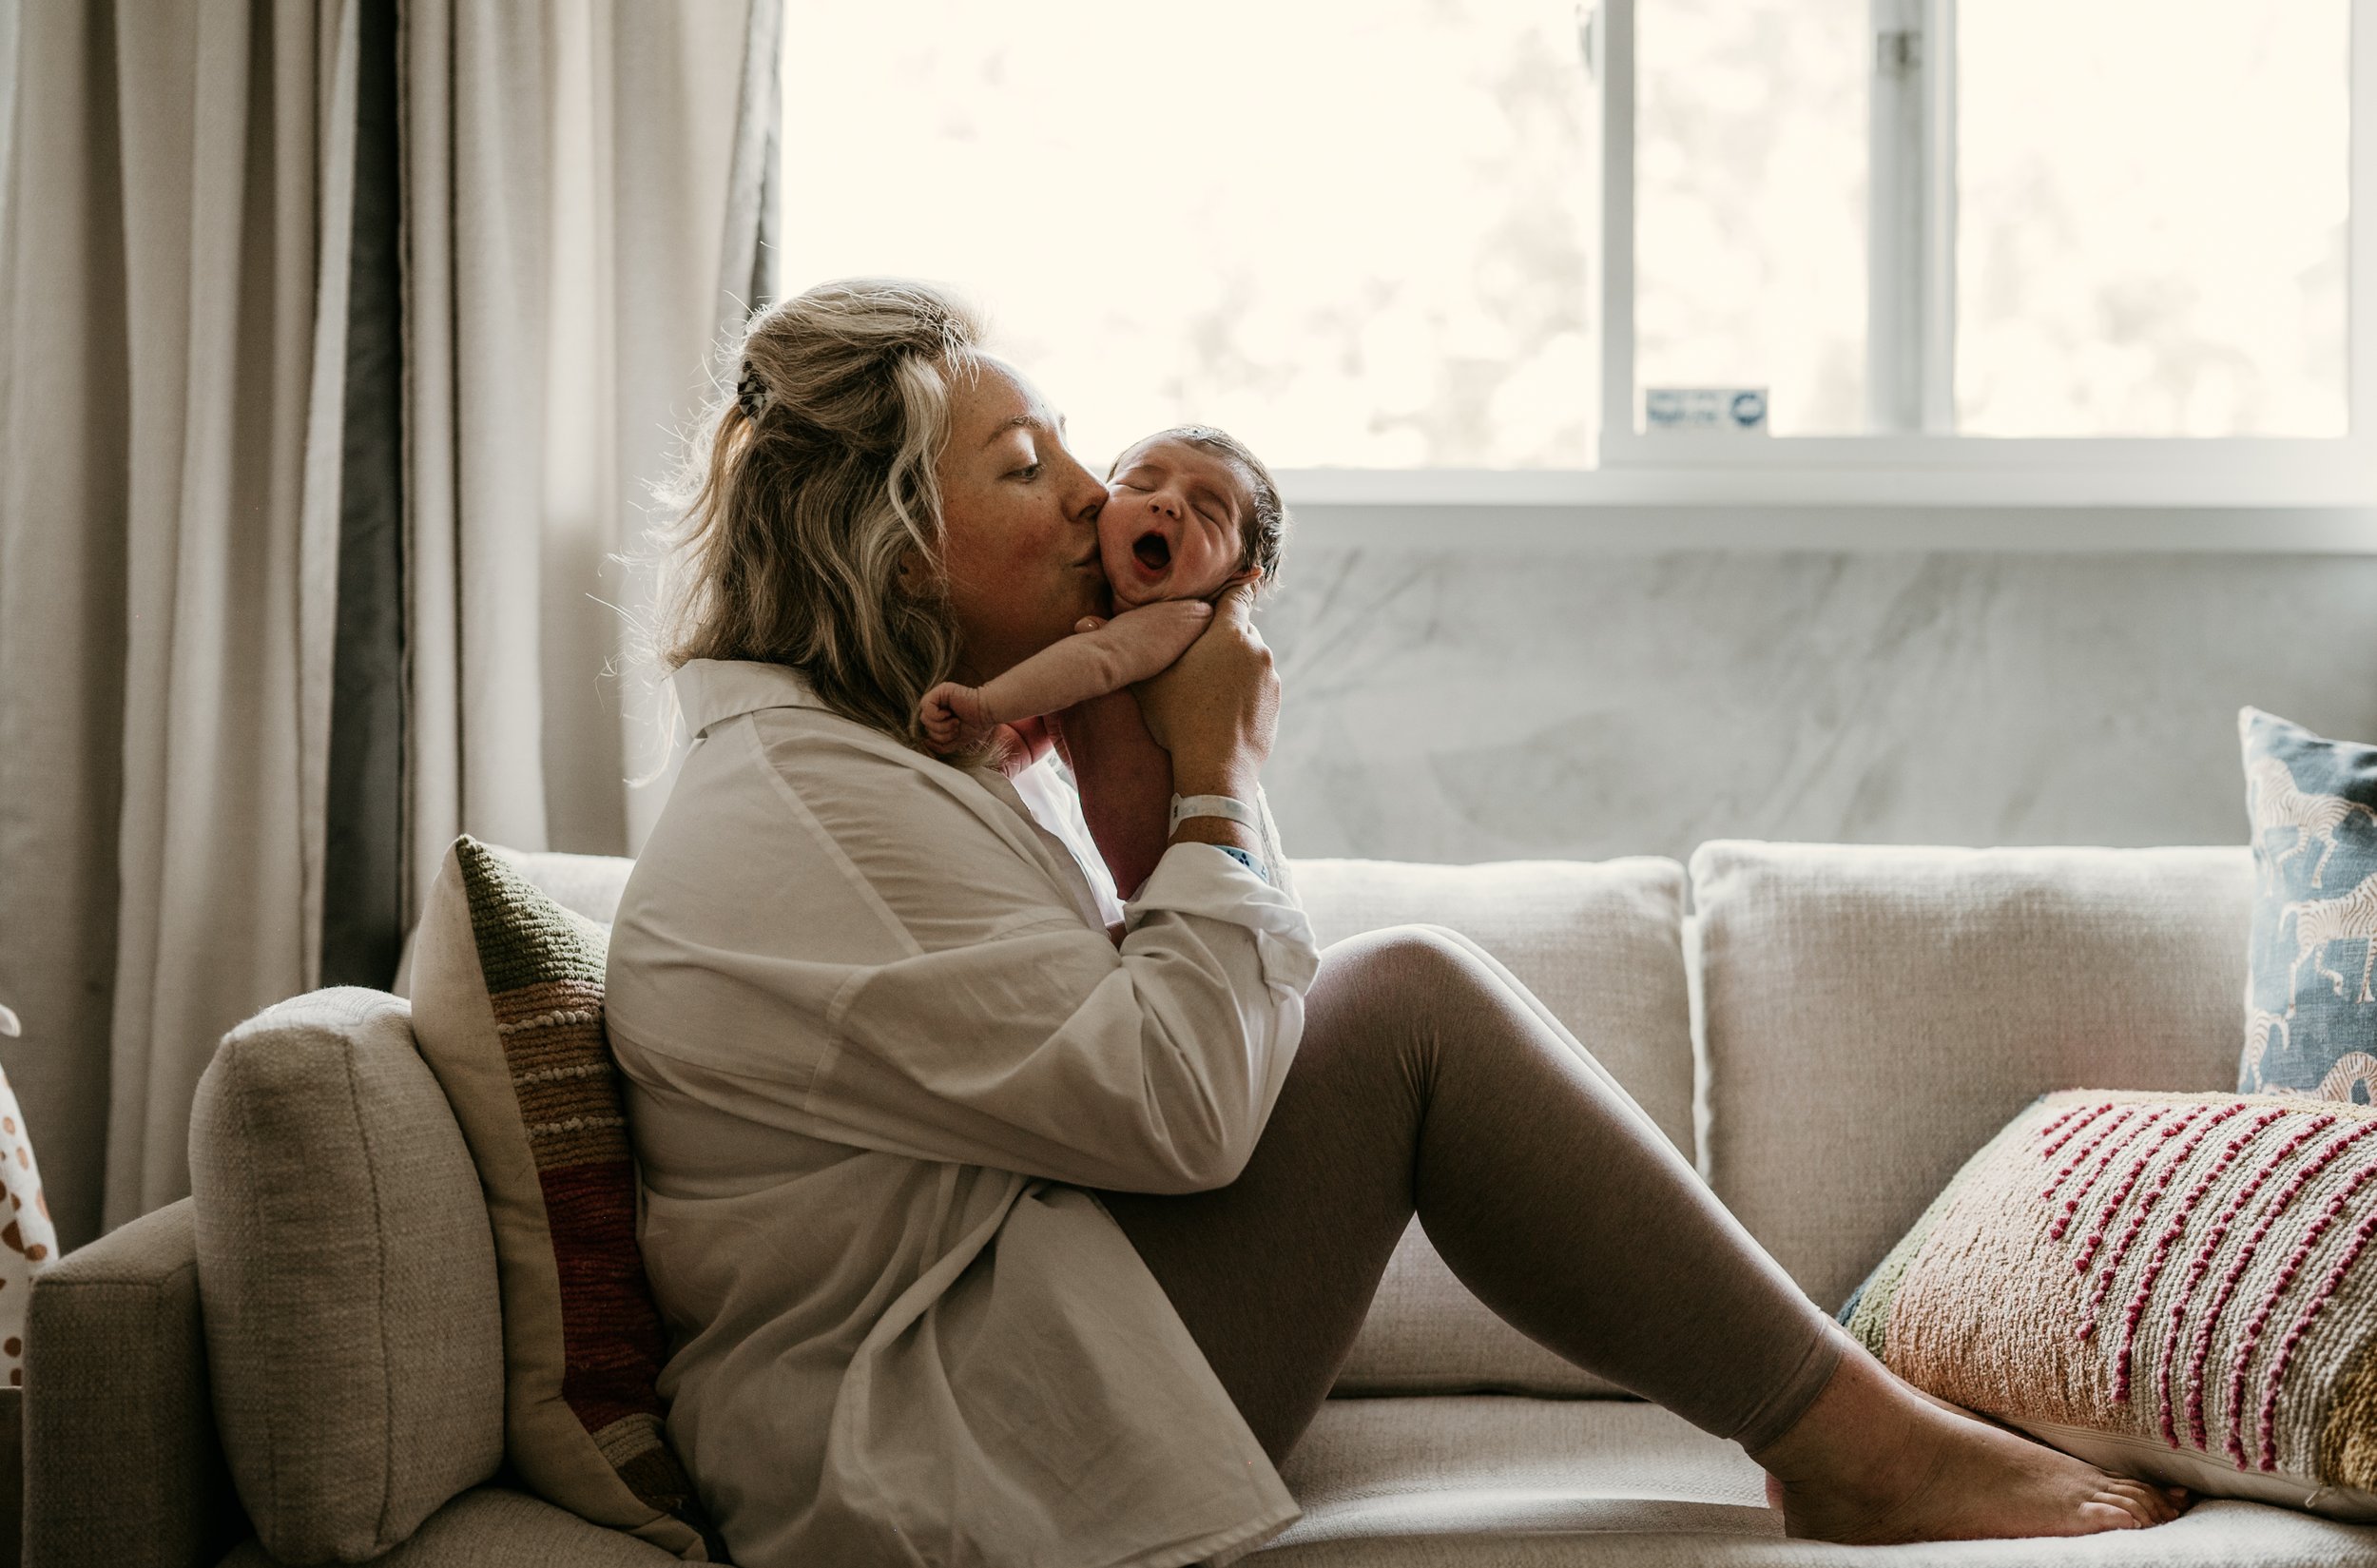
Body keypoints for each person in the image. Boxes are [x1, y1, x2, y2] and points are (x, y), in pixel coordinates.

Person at [605, 278, 2188, 1568]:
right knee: (1413, 1011)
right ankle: (1865, 1449)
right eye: (1026, 467)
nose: (1096, 496)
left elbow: (1143, 1058)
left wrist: (1142, 785)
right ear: (880, 549)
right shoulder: (826, 816)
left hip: (973, 1356)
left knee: (1408, 1006)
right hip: (937, 1462)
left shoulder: (869, 769)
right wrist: (1216, 777)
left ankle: (1855, 1430)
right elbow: (1192, 1109)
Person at [920, 425, 1287, 898]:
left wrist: (983, 705)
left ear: (1240, 575)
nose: (1166, 503)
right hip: (1157, 889)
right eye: (1139, 486)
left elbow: (1095, 663)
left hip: (1210, 876)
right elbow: (1044, 723)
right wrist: (988, 762)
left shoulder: (1185, 623)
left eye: (1206, 511)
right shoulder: (1088, 614)